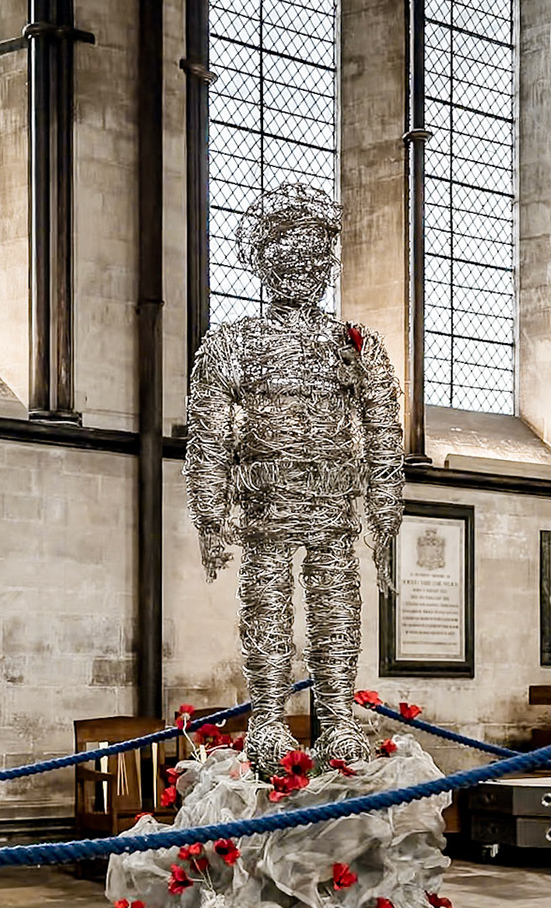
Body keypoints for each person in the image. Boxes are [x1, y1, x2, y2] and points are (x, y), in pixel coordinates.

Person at [183, 183, 403, 772]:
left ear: (327, 265)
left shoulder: (354, 347)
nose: (303, 266)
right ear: (263, 260)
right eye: (289, 252)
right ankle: (267, 721)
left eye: (314, 254)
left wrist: (384, 513)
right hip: (266, 507)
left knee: (337, 610)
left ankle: (337, 719)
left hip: (333, 503)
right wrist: (209, 516)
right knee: (268, 611)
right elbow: (209, 436)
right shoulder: (236, 342)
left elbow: (383, 428)